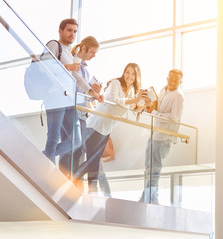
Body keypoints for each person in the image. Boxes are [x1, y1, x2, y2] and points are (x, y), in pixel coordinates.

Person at [73, 63, 149, 194]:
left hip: (107, 128)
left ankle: (89, 189)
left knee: (94, 161)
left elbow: (130, 108)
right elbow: (115, 100)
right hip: (96, 124)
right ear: (123, 73)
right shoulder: (115, 83)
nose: (129, 76)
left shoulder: (131, 91)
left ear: (137, 77)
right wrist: (135, 100)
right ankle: (78, 181)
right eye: (127, 72)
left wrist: (142, 105)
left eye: (133, 74)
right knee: (93, 161)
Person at [42, 19, 102, 174]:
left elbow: (78, 78)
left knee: (76, 140)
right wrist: (67, 67)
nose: (72, 34)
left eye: (75, 31)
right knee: (54, 137)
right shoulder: (54, 45)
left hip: (68, 100)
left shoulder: (69, 53)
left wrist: (92, 92)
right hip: (55, 97)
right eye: (69, 30)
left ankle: (45, 156)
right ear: (60, 31)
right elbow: (43, 66)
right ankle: (48, 169)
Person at [139, 69, 184, 204]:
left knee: (154, 167)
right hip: (155, 133)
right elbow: (158, 109)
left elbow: (174, 118)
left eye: (176, 80)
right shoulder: (163, 90)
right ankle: (150, 196)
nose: (172, 82)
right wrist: (150, 108)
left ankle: (149, 197)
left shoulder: (179, 96)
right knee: (148, 165)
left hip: (165, 136)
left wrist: (155, 113)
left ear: (180, 81)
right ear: (167, 78)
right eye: (171, 78)